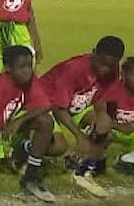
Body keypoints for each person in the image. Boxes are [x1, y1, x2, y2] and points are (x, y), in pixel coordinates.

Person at [0, 45, 66, 202]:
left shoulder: (30, 80)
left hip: (4, 128)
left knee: (45, 121)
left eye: (29, 66)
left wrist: (20, 121)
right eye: (21, 67)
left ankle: (31, 175)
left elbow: (45, 105)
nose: (27, 71)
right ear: (8, 68)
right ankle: (18, 152)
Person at [38, 35, 125, 190]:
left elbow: (102, 97)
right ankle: (23, 152)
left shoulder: (113, 71)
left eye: (110, 65)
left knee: (104, 129)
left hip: (75, 104)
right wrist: (80, 136)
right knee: (59, 146)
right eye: (102, 63)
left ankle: (79, 164)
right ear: (93, 53)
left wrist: (102, 120)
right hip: (45, 104)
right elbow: (59, 108)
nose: (105, 69)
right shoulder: (75, 69)